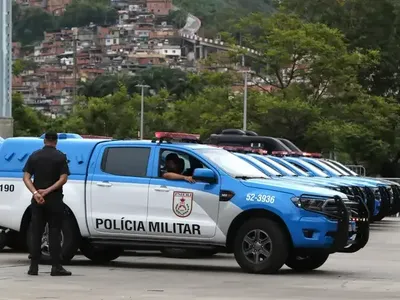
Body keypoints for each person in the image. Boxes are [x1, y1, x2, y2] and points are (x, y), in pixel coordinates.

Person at [22, 132, 72, 276]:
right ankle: (56, 267)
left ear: (44, 141)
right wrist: (48, 191)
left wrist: (36, 193)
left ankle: (33, 267)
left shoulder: (35, 155)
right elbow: (63, 178)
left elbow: (26, 177)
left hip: (37, 200)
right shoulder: (60, 156)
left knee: (36, 232)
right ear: (56, 142)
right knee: (54, 232)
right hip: (54, 199)